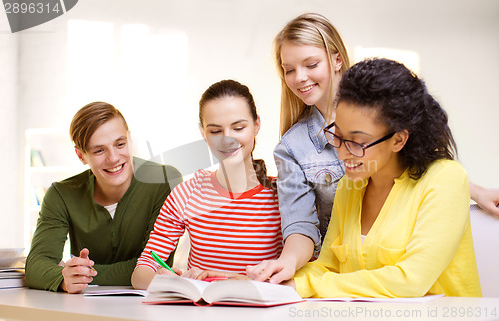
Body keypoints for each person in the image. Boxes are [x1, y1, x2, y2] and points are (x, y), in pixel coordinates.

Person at [247, 12, 498, 284]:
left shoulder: (391, 109)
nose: (299, 78)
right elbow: (303, 228)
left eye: (311, 64)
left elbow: (424, 168)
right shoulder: (325, 170)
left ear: (336, 59)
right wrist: (284, 269)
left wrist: (471, 189)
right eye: (289, 69)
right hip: (348, 291)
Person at [289, 57, 481, 298]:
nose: (341, 152)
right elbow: (327, 267)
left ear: (398, 140)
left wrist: (305, 286)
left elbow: (411, 281)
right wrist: (272, 281)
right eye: (337, 135)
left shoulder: (445, 179)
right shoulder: (351, 185)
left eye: (357, 142)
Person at [131, 79, 282, 290]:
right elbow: (142, 271)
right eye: (215, 131)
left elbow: (305, 273)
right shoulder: (186, 193)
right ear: (203, 132)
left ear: (256, 125)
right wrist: (165, 280)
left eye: (238, 127)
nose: (227, 139)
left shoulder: (282, 196)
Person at [25, 102, 181, 293]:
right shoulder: (61, 194)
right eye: (99, 150)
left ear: (130, 139)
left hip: (150, 307)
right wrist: (63, 278)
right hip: (83, 309)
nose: (113, 157)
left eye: (120, 144)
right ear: (81, 155)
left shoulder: (164, 181)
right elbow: (35, 266)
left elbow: (156, 264)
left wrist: (81, 275)